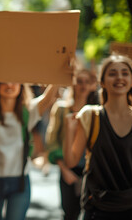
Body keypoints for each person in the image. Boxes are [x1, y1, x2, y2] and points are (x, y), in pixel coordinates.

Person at [64, 53, 132, 220]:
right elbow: (71, 161)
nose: (119, 77)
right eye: (112, 73)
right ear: (102, 82)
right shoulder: (91, 115)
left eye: (125, 73)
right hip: (97, 209)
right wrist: (68, 131)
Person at [0, 74, 59, 220]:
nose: (10, 85)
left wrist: (60, 71)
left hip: (20, 182)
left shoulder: (27, 112)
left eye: (15, 81)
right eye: (4, 81)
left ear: (21, 86)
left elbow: (48, 98)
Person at [46, 69, 97, 220]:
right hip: (67, 169)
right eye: (79, 81)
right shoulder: (62, 109)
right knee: (69, 212)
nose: (83, 86)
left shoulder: (96, 112)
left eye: (87, 82)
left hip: (91, 171)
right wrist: (64, 169)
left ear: (92, 85)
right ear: (73, 84)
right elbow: (52, 141)